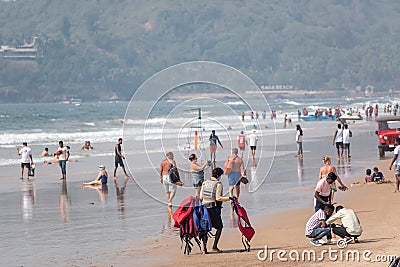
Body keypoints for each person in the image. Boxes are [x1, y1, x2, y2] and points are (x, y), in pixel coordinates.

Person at [200, 167, 231, 254]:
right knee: (219, 227)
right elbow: (218, 198)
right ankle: (214, 246)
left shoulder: (205, 182)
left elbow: (201, 197)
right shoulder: (218, 184)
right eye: (220, 176)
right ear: (218, 175)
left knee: (204, 228)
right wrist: (229, 198)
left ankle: (204, 249)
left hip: (204, 209)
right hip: (212, 208)